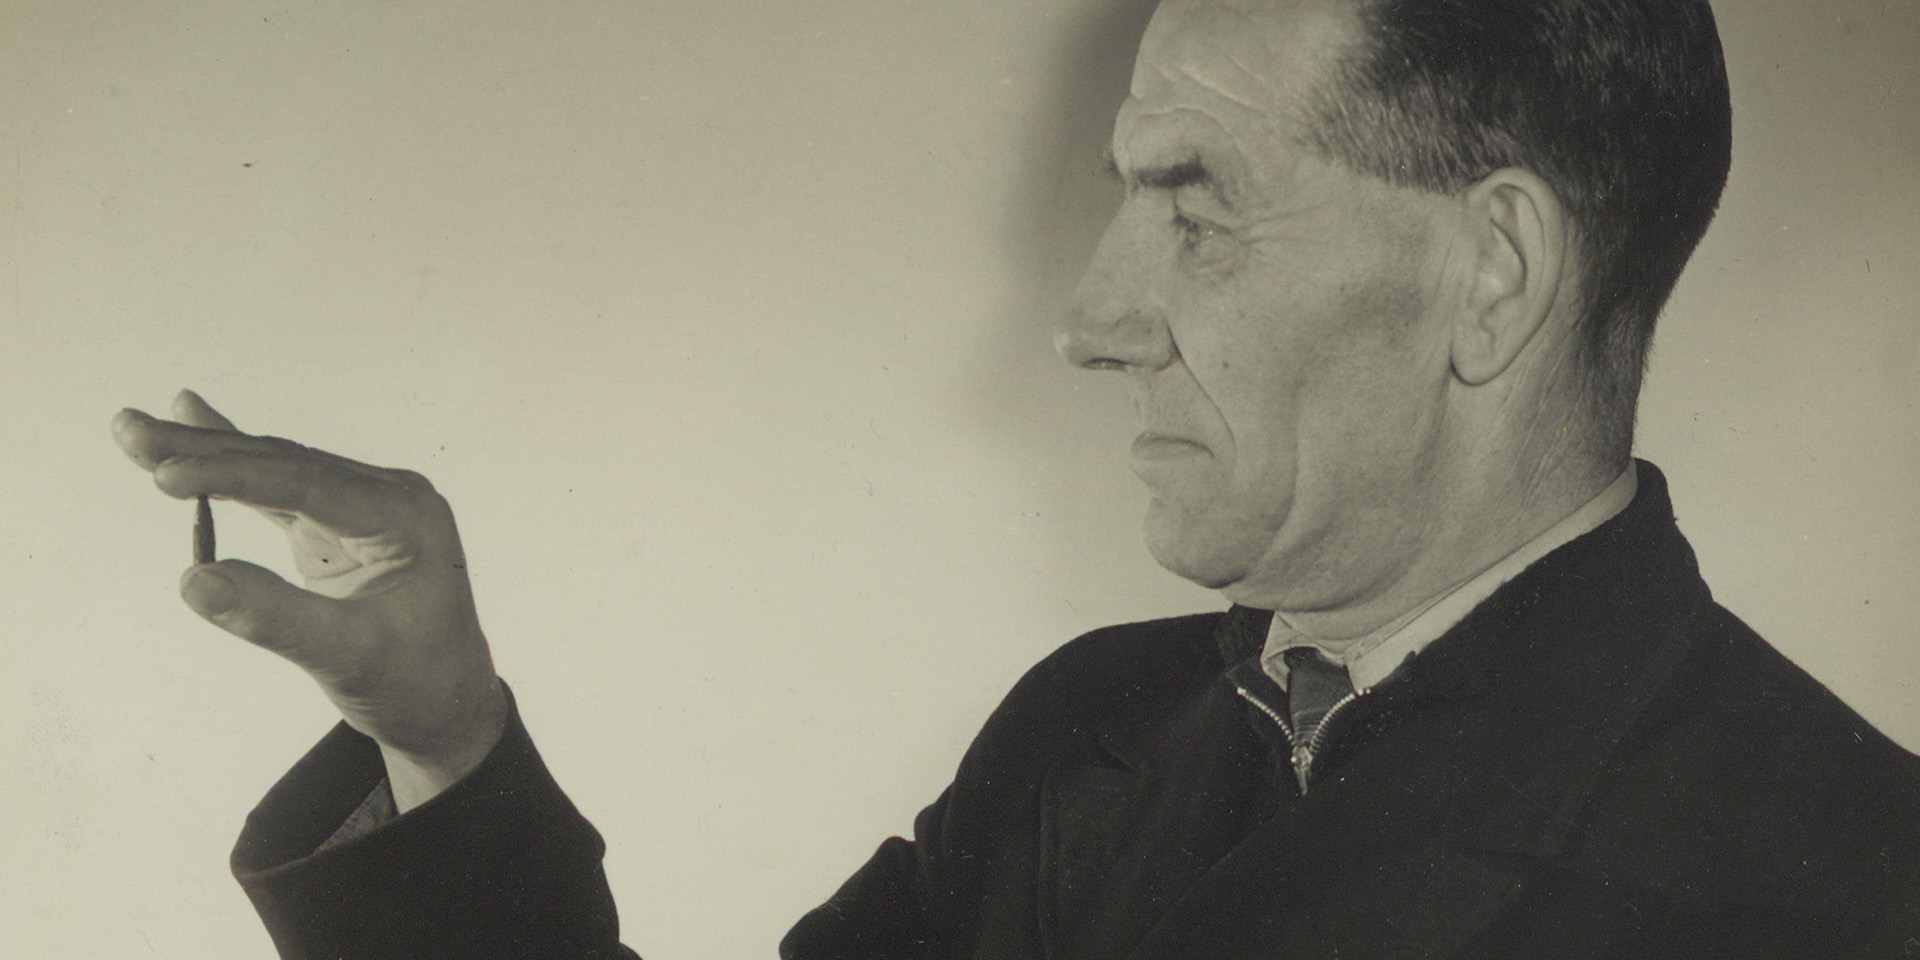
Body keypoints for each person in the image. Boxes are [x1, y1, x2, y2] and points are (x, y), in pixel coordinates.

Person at [112, 0, 1920, 956]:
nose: (1089, 317)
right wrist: (444, 736)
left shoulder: (1850, 889)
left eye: (1195, 202)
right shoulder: (1087, 732)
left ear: (1495, 272)